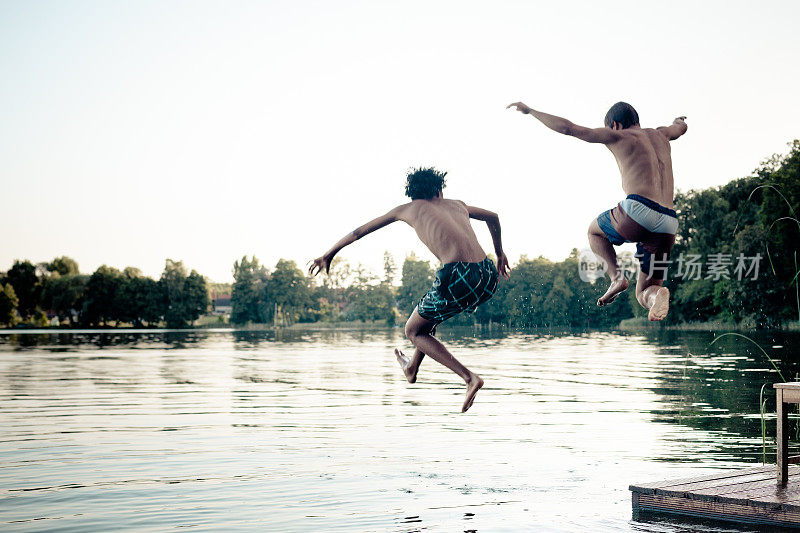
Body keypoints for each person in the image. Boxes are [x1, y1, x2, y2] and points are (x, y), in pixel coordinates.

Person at [308, 167, 510, 412]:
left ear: (413, 195)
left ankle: (469, 378)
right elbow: (494, 217)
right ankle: (412, 368)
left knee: (413, 330)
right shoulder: (458, 204)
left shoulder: (407, 209)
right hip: (487, 275)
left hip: (457, 276)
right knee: (428, 319)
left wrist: (328, 255)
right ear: (439, 189)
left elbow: (359, 232)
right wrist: (499, 254)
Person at [507, 101, 687, 321]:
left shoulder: (620, 136)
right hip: (669, 221)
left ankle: (616, 278)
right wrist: (679, 121)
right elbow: (680, 129)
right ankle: (657, 295)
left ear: (615, 124)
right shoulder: (661, 135)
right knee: (644, 293)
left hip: (639, 209)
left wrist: (530, 111)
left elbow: (568, 128)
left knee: (594, 232)